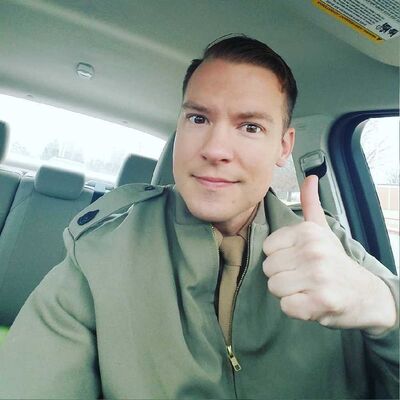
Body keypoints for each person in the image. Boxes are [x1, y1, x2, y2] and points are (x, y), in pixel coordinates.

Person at [0, 35, 398, 399]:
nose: (215, 149)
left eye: (250, 127)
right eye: (199, 119)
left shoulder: (331, 249)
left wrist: (381, 307)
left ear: (283, 146)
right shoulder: (100, 254)